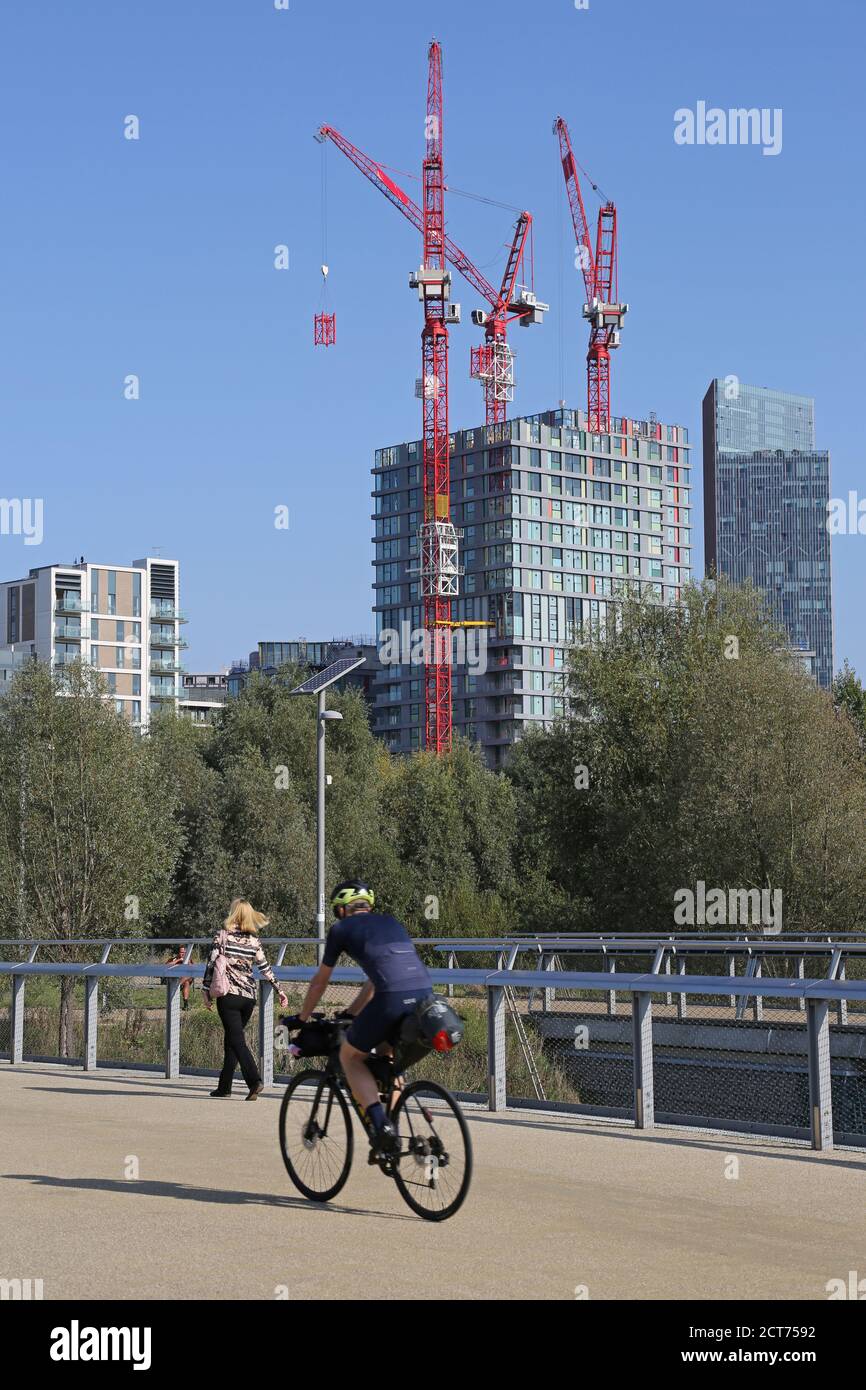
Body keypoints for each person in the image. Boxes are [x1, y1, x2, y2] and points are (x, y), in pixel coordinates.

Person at [290, 880, 432, 1151]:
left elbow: (320, 981)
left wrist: (302, 1017)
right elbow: (374, 982)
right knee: (387, 1056)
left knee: (349, 1056)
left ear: (342, 910)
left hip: (392, 997)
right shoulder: (391, 922)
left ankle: (382, 1127)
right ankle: (394, 1136)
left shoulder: (341, 929)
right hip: (425, 996)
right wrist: (350, 1013)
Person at [202, 899, 289, 1100]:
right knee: (232, 1039)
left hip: (229, 995)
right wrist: (280, 990)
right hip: (249, 998)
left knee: (236, 1040)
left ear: (233, 913)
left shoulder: (222, 935)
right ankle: (224, 1086)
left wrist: (205, 990)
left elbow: (211, 964)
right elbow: (265, 968)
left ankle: (254, 1081)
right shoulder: (254, 941)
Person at [163, 946, 194, 1010]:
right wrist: (178, 960)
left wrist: (187, 963)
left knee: (187, 979)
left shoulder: (189, 959)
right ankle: (186, 1004)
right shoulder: (174, 959)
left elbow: (192, 970)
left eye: (184, 952)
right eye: (181, 952)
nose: (183, 954)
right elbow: (166, 966)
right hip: (175, 979)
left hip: (185, 979)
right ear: (178, 952)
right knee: (186, 983)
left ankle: (178, 985)